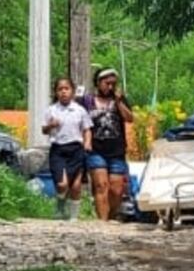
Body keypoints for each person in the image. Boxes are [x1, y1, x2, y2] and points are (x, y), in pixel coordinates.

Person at [83, 68, 133, 221]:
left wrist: (118, 101)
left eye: (113, 84)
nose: (110, 87)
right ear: (98, 83)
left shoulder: (119, 100)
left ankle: (111, 217)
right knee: (100, 186)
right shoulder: (87, 101)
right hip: (96, 150)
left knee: (116, 190)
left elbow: (129, 118)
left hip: (116, 151)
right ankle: (102, 222)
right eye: (107, 83)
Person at [43, 77, 92, 221]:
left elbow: (87, 128)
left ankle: (73, 216)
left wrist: (87, 143)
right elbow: (44, 130)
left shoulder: (79, 110)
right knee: (62, 184)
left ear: (72, 91)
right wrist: (50, 125)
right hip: (58, 149)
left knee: (76, 186)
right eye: (60, 89)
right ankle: (60, 206)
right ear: (56, 92)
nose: (63, 92)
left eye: (66, 89)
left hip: (76, 149)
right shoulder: (51, 110)